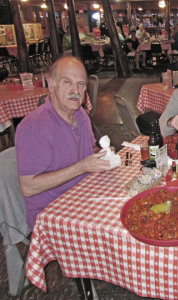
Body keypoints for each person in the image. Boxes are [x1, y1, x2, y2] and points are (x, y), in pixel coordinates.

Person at [15, 56, 112, 230]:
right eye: (67, 82)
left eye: (81, 84)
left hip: (84, 196)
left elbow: (88, 150)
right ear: (51, 84)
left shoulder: (80, 114)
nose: (76, 90)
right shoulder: (33, 127)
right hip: (53, 215)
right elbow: (28, 187)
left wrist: (101, 154)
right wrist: (82, 167)